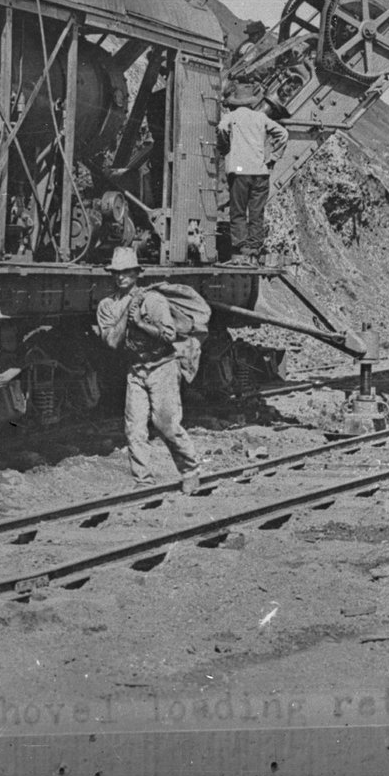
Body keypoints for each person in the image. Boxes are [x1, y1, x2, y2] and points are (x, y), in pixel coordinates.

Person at [95, 246, 205, 493]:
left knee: (166, 425)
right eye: (117, 273)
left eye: (127, 272)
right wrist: (127, 315)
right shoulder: (107, 306)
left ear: (136, 274)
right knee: (134, 429)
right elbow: (112, 341)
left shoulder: (153, 300)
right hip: (135, 370)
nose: (121, 277)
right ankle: (143, 480)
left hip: (162, 367)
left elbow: (168, 335)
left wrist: (142, 324)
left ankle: (190, 470)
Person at [218, 83, 287, 262]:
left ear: (233, 102)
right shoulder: (260, 117)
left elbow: (221, 130)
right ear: (250, 103)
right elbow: (283, 134)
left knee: (238, 211)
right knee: (256, 212)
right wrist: (273, 157)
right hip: (260, 173)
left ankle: (241, 247)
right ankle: (255, 247)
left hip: (240, 172)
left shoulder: (230, 116)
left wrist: (225, 147)